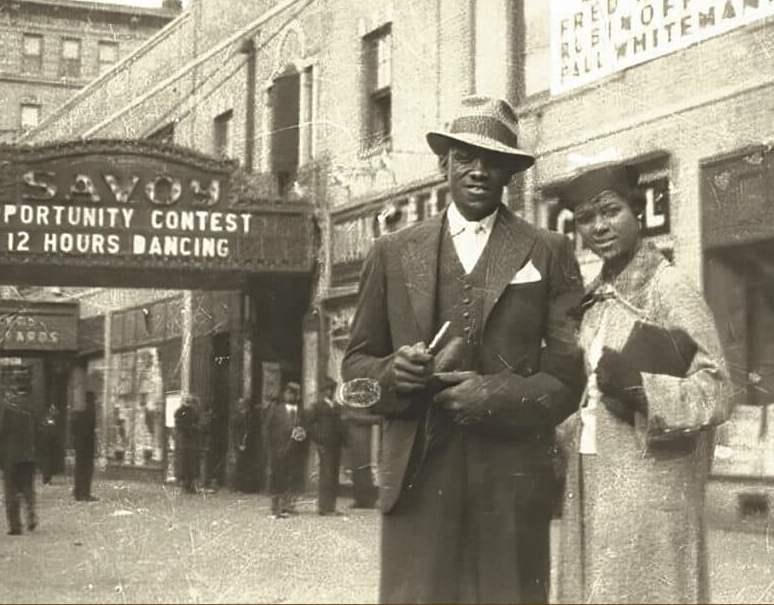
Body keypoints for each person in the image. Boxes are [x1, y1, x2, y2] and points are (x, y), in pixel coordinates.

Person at [342, 95, 585, 604]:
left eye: (493, 161)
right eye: (465, 158)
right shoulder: (391, 252)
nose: (479, 171)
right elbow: (353, 382)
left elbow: (568, 381)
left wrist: (494, 395)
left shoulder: (549, 251)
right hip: (416, 482)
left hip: (511, 483)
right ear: (443, 165)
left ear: (510, 174)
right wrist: (392, 374)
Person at [548, 162, 732, 603]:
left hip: (650, 487)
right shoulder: (593, 301)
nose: (599, 227)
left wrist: (643, 389)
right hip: (591, 484)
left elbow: (718, 390)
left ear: (638, 212)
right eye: (586, 219)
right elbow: (590, 398)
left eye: (610, 212)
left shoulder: (667, 287)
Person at [0, 389, 39, 535]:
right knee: (28, 489)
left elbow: (1, 436)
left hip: (11, 458)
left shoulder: (8, 411)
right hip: (28, 457)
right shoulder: (33, 409)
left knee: (11, 491)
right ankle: (31, 513)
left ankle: (15, 526)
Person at [264, 382, 308, 518]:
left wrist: (303, 435)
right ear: (285, 394)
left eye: (293, 394)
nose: (290, 396)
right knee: (277, 477)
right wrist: (272, 447)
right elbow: (267, 429)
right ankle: (275, 507)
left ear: (297, 396)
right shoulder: (276, 409)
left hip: (295, 450)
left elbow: (305, 428)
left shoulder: (300, 411)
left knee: (291, 477)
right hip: (278, 449)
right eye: (288, 393)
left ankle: (287, 506)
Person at [306, 378, 347, 516]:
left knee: (334, 475)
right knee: (326, 475)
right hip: (324, 445)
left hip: (336, 446)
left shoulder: (337, 407)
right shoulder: (318, 406)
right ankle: (323, 507)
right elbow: (309, 424)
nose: (330, 392)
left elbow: (341, 426)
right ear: (323, 391)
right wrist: (317, 440)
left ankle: (332, 507)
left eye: (332, 389)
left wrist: (343, 441)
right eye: (327, 389)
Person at [72, 391, 98, 502]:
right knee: (86, 469)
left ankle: (78, 491)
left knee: (79, 468)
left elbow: (73, 428)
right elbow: (91, 430)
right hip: (87, 445)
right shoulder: (91, 411)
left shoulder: (78, 412)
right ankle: (85, 493)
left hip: (79, 444)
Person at [173, 394, 201, 494]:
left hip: (188, 441)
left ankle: (188, 484)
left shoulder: (191, 412)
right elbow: (182, 425)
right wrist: (193, 429)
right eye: (187, 401)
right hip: (185, 441)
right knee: (186, 462)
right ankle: (186, 484)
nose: (188, 403)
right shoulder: (181, 412)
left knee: (188, 463)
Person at [38, 404, 59, 485]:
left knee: (49, 462)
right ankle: (46, 479)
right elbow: (44, 430)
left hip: (51, 445)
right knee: (47, 462)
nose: (54, 412)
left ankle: (48, 478)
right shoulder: (47, 419)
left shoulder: (52, 420)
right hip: (46, 444)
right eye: (53, 410)